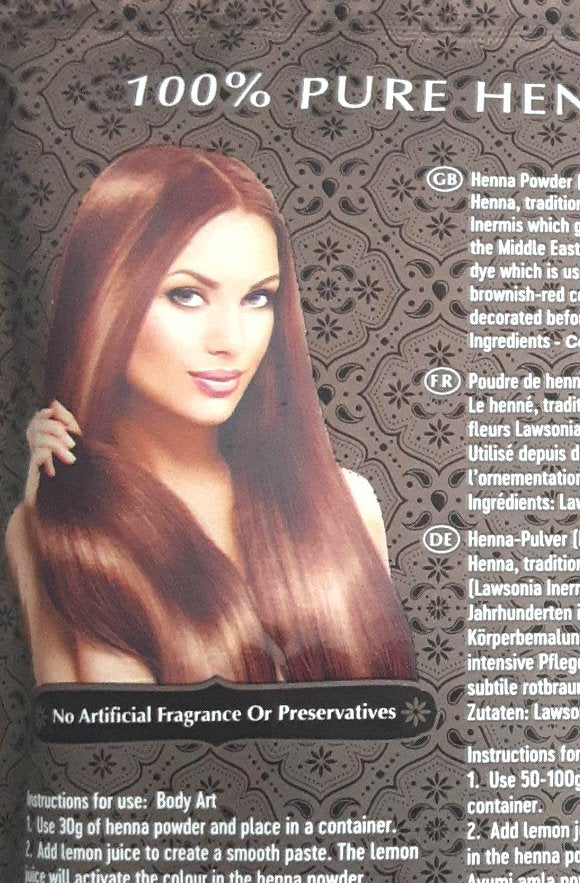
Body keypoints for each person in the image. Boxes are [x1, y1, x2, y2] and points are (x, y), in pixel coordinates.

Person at [5, 145, 416, 685]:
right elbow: (73, 722)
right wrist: (64, 511)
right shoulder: (43, 527)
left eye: (258, 298)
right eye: (187, 295)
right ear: (106, 298)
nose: (231, 341)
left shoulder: (347, 504)